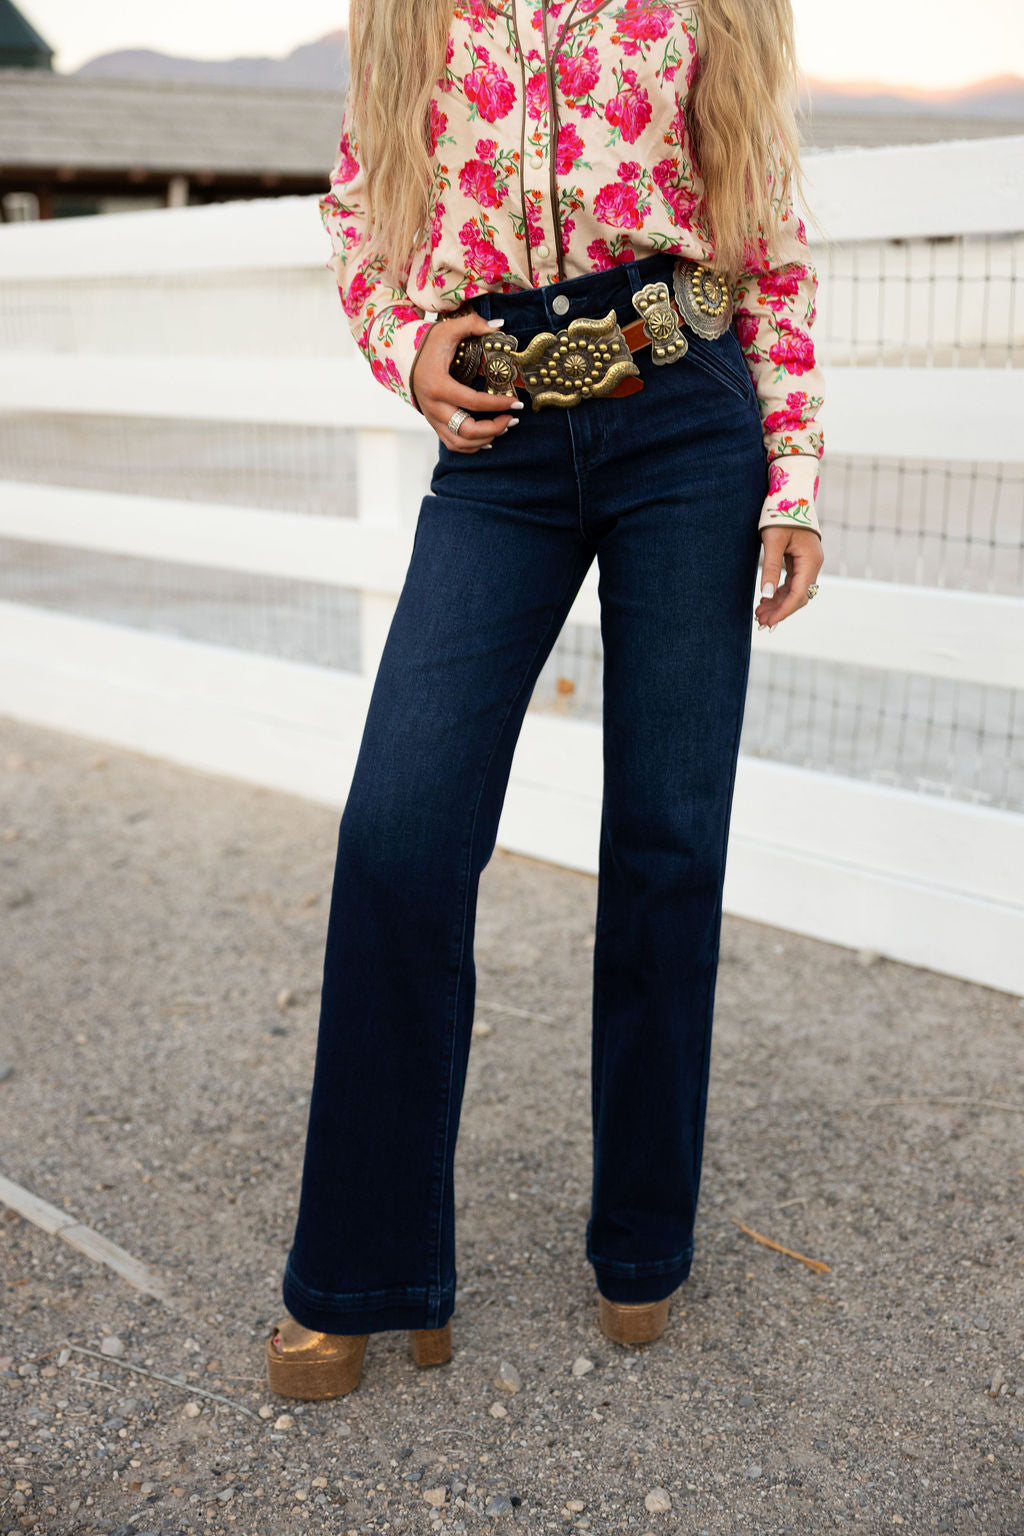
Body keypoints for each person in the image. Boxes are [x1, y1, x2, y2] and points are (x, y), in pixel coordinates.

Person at [266, 0, 825, 1400]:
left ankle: (642, 1238)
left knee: (667, 838)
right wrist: (404, 343)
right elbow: (357, 207)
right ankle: (365, 1267)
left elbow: (767, 228)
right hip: (498, 439)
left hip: (685, 419)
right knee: (398, 832)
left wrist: (795, 473)